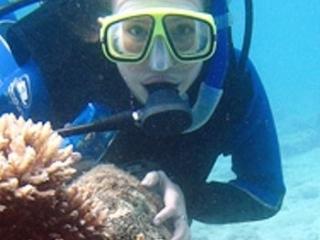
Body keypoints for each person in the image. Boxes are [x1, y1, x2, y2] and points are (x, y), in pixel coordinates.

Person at [0, 0, 286, 239]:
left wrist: (187, 195)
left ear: (211, 33)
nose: (160, 62)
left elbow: (266, 193)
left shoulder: (233, 81)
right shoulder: (53, 67)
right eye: (136, 30)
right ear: (102, 31)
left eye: (184, 30)